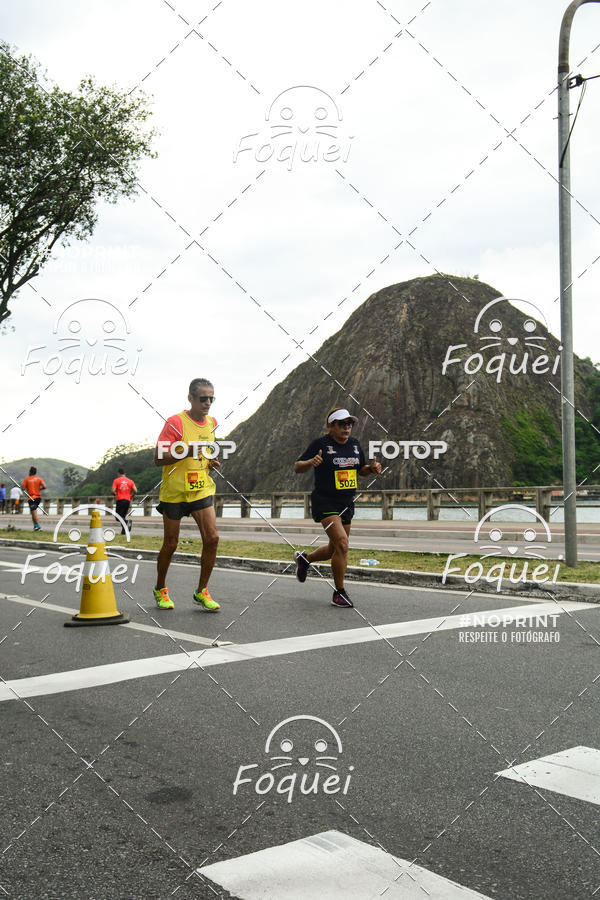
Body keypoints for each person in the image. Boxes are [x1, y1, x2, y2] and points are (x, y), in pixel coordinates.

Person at [293, 407, 381, 608]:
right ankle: (339, 592)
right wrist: (311, 462)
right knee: (342, 544)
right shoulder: (320, 444)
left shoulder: (355, 445)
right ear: (330, 426)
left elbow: (362, 470)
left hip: (346, 502)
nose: (347, 428)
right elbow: (298, 466)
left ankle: (305, 559)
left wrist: (372, 469)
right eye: (342, 424)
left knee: (335, 548)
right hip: (325, 501)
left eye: (349, 424)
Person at [153, 378, 221, 611]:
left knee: (212, 538)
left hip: (201, 488)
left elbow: (205, 454)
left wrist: (210, 462)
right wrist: (186, 452)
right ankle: (160, 588)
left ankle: (201, 591)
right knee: (171, 544)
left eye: (212, 398)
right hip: (175, 492)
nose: (208, 402)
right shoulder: (175, 423)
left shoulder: (212, 422)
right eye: (203, 398)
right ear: (191, 398)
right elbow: (158, 458)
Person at [111, 467, 137, 534]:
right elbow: (135, 491)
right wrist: (131, 496)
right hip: (127, 501)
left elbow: (113, 491)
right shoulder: (130, 481)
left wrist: (116, 494)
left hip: (120, 500)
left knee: (118, 517)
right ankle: (124, 531)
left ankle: (126, 522)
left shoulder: (116, 480)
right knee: (123, 516)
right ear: (125, 473)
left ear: (118, 473)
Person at [21, 466, 46, 531]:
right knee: (33, 512)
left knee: (34, 512)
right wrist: (39, 489)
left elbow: (23, 488)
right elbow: (44, 486)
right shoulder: (39, 479)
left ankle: (38, 526)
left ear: (30, 472)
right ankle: (35, 526)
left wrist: (26, 488)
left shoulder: (27, 479)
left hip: (31, 498)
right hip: (38, 498)